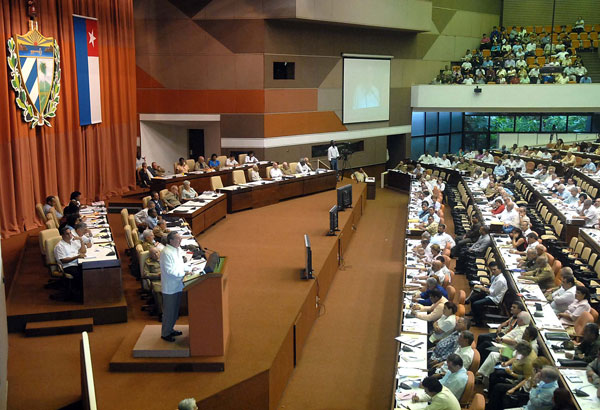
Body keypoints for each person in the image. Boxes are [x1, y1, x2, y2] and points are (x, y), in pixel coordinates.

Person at [160, 232, 187, 342]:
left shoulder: (177, 250)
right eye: (178, 240)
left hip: (178, 285)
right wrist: (184, 273)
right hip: (170, 287)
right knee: (169, 312)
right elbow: (170, 271)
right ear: (170, 241)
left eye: (180, 239)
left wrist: (188, 269)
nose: (180, 242)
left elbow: (180, 265)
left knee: (175, 311)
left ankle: (170, 329)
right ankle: (165, 333)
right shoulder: (166, 253)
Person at [467, 262, 507, 326]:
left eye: (494, 270)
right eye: (491, 270)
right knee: (473, 298)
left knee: (476, 304)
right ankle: (474, 316)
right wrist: (486, 284)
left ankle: (479, 322)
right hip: (490, 295)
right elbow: (493, 286)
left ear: (500, 270)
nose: (493, 271)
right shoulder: (497, 276)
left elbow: (493, 293)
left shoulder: (501, 280)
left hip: (494, 299)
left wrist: (482, 288)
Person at [54, 226, 87, 300]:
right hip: (68, 266)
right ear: (62, 235)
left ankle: (86, 292)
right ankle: (79, 296)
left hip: (77, 263)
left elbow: (83, 251)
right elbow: (63, 260)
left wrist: (81, 240)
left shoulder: (73, 242)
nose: (70, 235)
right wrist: (76, 257)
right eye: (67, 234)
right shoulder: (59, 246)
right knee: (81, 275)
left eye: (70, 233)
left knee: (89, 270)